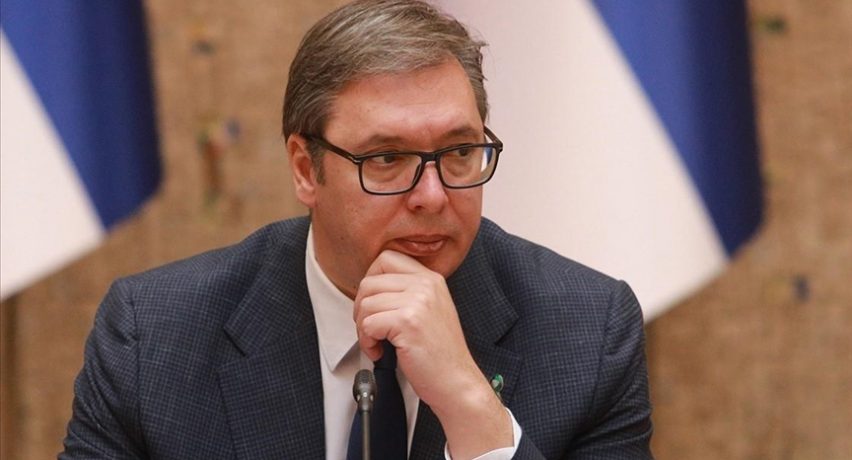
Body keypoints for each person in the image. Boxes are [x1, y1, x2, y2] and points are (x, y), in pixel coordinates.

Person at [61, 1, 653, 458]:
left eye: (458, 153)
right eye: (387, 159)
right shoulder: (155, 339)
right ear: (305, 169)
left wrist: (471, 406)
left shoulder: (586, 333)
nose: (432, 196)